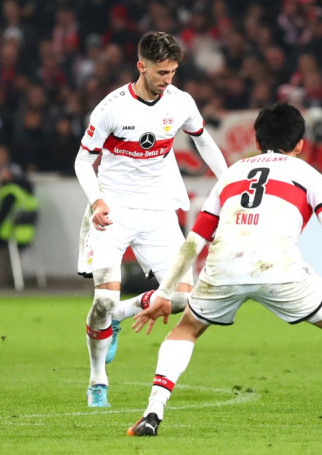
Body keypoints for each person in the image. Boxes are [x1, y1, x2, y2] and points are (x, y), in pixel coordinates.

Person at [126, 103, 322, 437]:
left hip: (224, 266)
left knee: (186, 329)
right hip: (279, 266)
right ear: (300, 144)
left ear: (257, 142)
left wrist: (163, 293)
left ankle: (152, 414)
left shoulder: (232, 173)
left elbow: (195, 239)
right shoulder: (309, 175)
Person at [74, 31, 228, 408]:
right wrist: (97, 201)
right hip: (114, 211)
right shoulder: (111, 108)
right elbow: (82, 160)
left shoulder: (180, 101)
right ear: (141, 66)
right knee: (103, 301)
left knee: (182, 300)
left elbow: (203, 141)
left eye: (173, 71)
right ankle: (98, 381)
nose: (168, 80)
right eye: (161, 72)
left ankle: (124, 313)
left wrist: (228, 185)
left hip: (159, 211)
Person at [0, 144, 37, 284]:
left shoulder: (11, 192)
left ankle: (3, 279)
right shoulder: (23, 192)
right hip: (26, 233)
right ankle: (5, 277)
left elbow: (1, 216)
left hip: (12, 233)